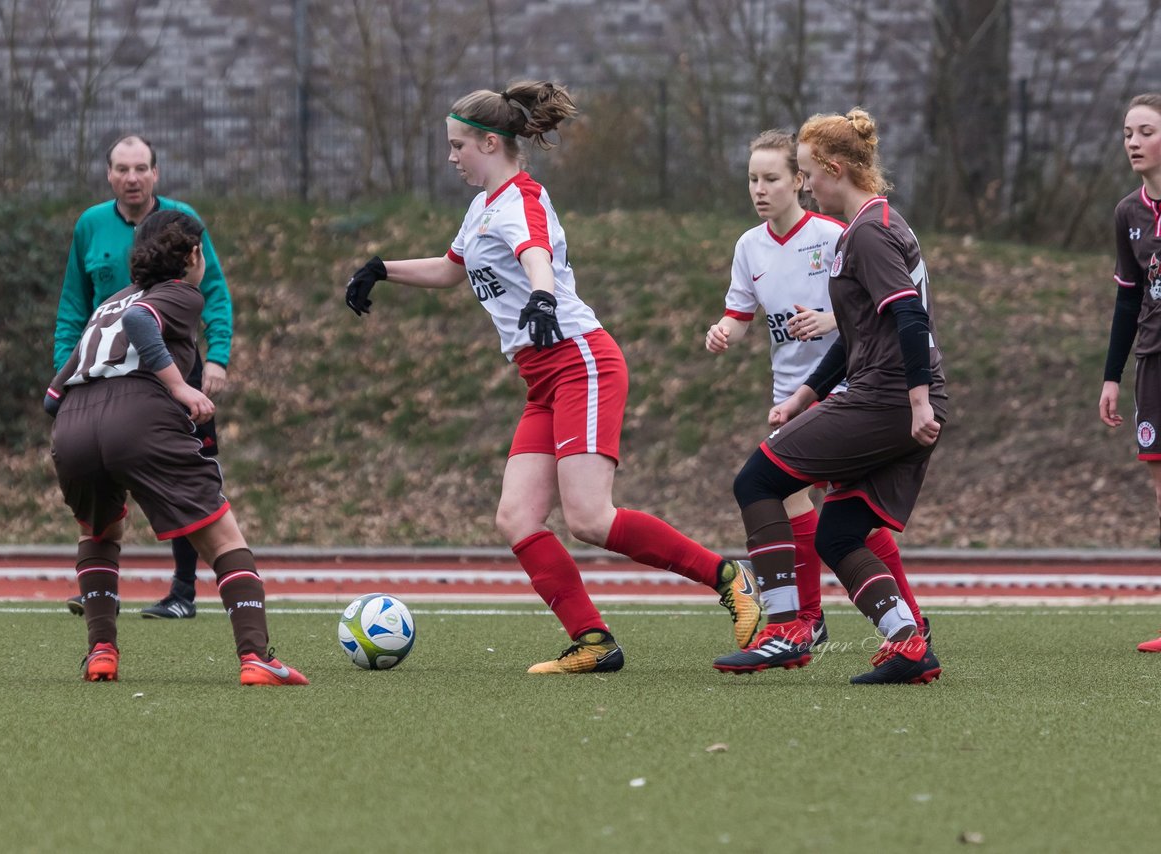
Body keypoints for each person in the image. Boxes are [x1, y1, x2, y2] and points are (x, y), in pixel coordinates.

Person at [343, 80, 762, 674]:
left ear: (491, 143)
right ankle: (593, 641)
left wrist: (541, 298)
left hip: (579, 361)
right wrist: (379, 269)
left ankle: (727, 577)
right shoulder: (483, 207)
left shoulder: (523, 198)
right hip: (542, 379)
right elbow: (447, 271)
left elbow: (535, 254)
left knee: (590, 518)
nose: (452, 156)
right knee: (516, 517)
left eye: (459, 145)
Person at [713, 108, 945, 684]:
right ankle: (908, 643)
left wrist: (917, 399)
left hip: (886, 397)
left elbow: (910, 319)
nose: (804, 182)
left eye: (806, 172)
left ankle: (785, 630)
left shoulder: (864, 231)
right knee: (838, 532)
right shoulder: (875, 223)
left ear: (834, 169)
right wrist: (804, 395)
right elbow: (863, 331)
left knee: (758, 482)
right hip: (887, 393)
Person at [46, 209, 307, 686]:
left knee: (100, 532)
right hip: (138, 417)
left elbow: (53, 393)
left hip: (72, 426)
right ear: (192, 255)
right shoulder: (180, 294)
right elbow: (144, 321)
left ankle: (102, 651)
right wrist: (180, 388)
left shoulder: (108, 303)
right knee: (223, 538)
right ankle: (255, 659)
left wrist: (85, 425)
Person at [53, 134, 234, 620]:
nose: (131, 177)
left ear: (156, 173)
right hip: (105, 376)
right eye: (121, 168)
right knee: (105, 469)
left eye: (140, 168)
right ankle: (100, 588)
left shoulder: (180, 222)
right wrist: (65, 369)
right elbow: (74, 302)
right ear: (109, 174)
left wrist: (215, 358)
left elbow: (214, 288)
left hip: (171, 369)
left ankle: (182, 591)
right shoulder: (90, 224)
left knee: (186, 479)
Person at [1097, 93, 1161, 653]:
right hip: (1152, 364)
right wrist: (1111, 376)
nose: (1134, 143)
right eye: (1127, 133)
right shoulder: (1128, 213)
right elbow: (1126, 302)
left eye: (1145, 131)